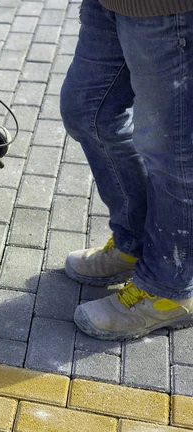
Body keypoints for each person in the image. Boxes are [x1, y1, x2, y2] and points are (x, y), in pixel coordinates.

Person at [60, 0, 193, 341]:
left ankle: (170, 288)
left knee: (171, 151)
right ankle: (136, 243)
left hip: (166, 9)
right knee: (87, 111)